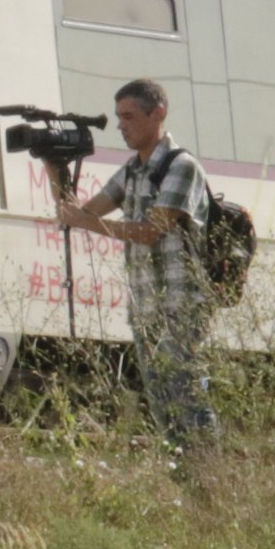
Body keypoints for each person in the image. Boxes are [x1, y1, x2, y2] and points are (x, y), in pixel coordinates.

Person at [53, 75, 219, 456]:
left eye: (128, 117)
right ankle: (185, 474)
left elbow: (151, 231)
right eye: (118, 117)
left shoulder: (182, 166)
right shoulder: (131, 172)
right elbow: (78, 213)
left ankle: (208, 471)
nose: (122, 127)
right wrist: (54, 168)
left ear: (157, 113)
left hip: (181, 304)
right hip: (146, 307)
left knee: (186, 393)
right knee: (162, 400)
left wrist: (86, 222)